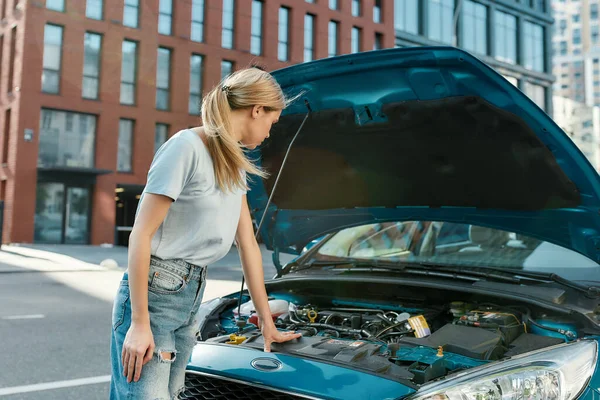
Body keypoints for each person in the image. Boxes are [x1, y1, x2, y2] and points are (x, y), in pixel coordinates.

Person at [109, 67, 302, 400]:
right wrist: (139, 323)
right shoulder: (185, 147)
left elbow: (248, 245)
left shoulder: (234, 163)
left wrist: (267, 324)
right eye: (272, 122)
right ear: (257, 110)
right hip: (154, 294)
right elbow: (140, 233)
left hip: (191, 296)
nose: (270, 132)